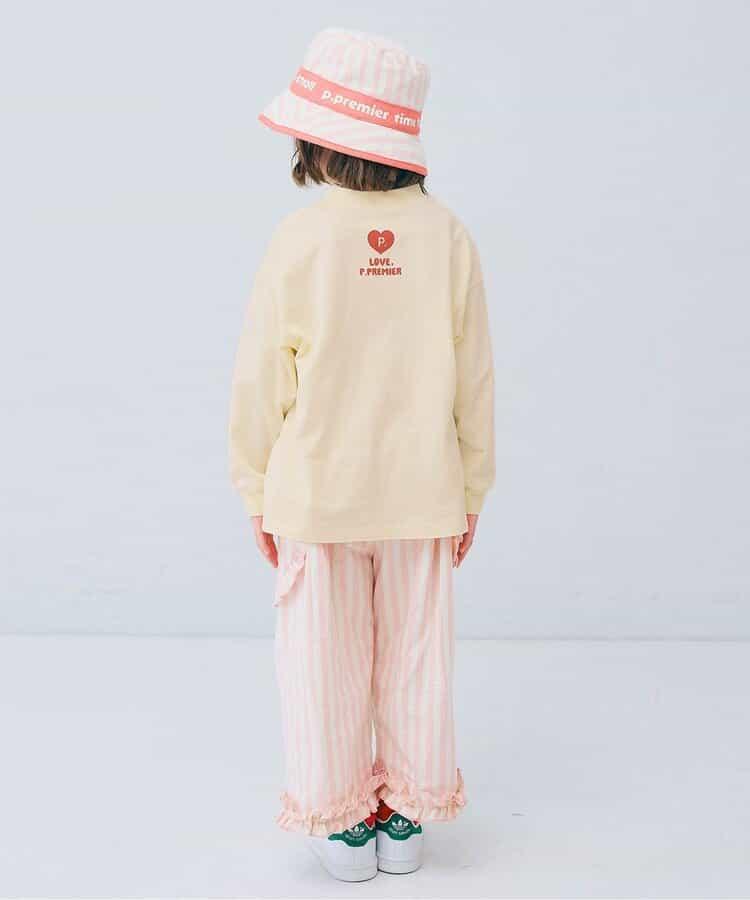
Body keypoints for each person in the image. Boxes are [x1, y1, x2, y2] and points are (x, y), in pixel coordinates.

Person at [229, 27, 495, 882]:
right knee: (417, 657)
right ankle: (407, 818)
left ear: (318, 141)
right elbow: (474, 381)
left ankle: (342, 825)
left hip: (317, 495)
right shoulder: (448, 237)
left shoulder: (301, 239)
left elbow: (260, 380)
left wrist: (256, 490)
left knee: (322, 661)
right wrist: (472, 490)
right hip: (423, 490)